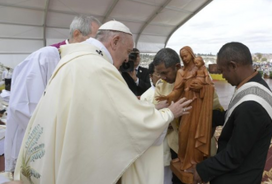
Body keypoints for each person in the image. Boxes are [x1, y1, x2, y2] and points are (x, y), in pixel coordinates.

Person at [13, 20, 192, 184]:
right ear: (114, 41)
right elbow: (126, 120)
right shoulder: (99, 67)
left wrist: (151, 108)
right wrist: (168, 113)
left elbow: (107, 112)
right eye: (128, 52)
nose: (126, 59)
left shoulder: (72, 60)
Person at [4, 15, 101, 172]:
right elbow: (24, 107)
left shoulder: (85, 62)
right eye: (92, 40)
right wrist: (62, 135)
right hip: (39, 145)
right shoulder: (48, 56)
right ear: (76, 34)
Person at [192, 42, 272, 184]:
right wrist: (205, 115)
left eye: (222, 70)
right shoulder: (255, 84)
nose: (221, 75)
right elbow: (234, 117)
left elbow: (234, 155)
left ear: (233, 66)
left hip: (238, 177)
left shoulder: (252, 106)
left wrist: (202, 170)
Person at [153, 47, 223, 184]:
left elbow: (215, 113)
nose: (162, 77)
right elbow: (158, 117)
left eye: (165, 73)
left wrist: (203, 138)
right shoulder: (161, 86)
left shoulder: (200, 76)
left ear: (177, 66)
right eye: (159, 73)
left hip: (200, 139)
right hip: (176, 143)